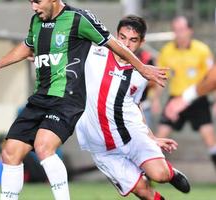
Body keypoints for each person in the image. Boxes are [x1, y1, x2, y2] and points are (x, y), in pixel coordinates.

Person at [0, 1, 167, 199]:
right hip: (40, 97)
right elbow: (28, 45)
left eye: (37, 2)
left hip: (67, 97)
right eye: (31, 2)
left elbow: (114, 44)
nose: (34, 7)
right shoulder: (36, 20)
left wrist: (141, 67)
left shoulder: (79, 19)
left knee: (43, 146)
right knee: (10, 152)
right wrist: (0, 63)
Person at [75, 15, 190, 200]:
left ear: (142, 42)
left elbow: (134, 105)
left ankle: (170, 173)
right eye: (122, 37)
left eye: (133, 40)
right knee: (144, 191)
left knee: (159, 175)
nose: (126, 44)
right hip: (102, 146)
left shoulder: (141, 73)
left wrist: (152, 138)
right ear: (115, 36)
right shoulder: (93, 54)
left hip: (131, 136)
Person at [151, 16, 216, 169]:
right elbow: (161, 79)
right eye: (175, 30)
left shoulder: (202, 50)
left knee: (209, 138)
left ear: (190, 31)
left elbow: (211, 79)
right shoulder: (167, 51)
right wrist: (155, 99)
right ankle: (151, 174)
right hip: (175, 99)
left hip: (198, 100)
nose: (178, 34)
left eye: (181, 30)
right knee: (159, 136)